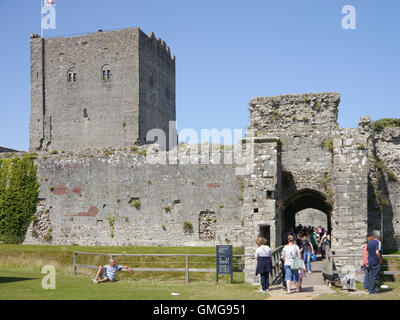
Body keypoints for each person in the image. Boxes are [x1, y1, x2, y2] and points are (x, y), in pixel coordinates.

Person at [367, 230, 383, 294]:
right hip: (375, 261)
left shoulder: (369, 242)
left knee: (371, 276)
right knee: (375, 277)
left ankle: (370, 289)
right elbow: (377, 252)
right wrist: (380, 260)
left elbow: (368, 251)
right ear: (379, 236)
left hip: (370, 261)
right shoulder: (378, 242)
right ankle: (372, 290)